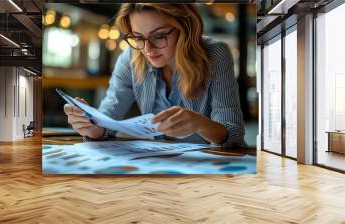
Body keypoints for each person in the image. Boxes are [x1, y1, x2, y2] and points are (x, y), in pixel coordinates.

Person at [64, 3, 245, 147]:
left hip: (210, 169)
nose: (147, 49)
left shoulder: (216, 55)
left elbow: (233, 135)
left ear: (185, 29)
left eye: (158, 36)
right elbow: (107, 120)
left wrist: (200, 123)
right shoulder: (131, 58)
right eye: (137, 37)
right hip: (158, 163)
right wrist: (91, 127)